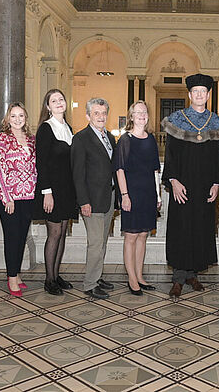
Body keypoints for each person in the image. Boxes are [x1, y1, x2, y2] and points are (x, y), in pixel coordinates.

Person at [162, 73, 219, 298]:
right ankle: (178, 278)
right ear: (189, 94)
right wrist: (173, 180)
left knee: (200, 229)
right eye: (196, 92)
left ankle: (192, 275)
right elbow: (169, 155)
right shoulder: (176, 120)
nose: (200, 95)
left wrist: (217, 183)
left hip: (204, 188)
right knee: (181, 229)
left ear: (208, 95)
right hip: (183, 185)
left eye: (203, 92)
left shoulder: (215, 123)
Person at [71, 98, 118, 300]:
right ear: (88, 116)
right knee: (96, 243)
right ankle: (90, 284)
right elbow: (77, 174)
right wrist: (83, 201)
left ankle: (97, 277)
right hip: (92, 200)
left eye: (104, 113)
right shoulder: (81, 138)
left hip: (109, 197)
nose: (101, 117)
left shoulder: (109, 136)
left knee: (103, 242)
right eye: (96, 113)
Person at [114, 101, 161, 295]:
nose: (142, 115)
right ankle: (132, 279)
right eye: (137, 112)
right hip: (131, 194)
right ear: (131, 117)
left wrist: (158, 195)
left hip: (148, 193)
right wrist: (125, 195)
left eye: (144, 112)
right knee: (131, 236)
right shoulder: (125, 140)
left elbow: (155, 170)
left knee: (143, 235)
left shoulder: (150, 139)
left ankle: (140, 276)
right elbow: (119, 170)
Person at [35, 89, 78, 295]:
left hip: (67, 189)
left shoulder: (68, 128)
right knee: (53, 233)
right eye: (54, 100)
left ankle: (56, 274)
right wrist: (47, 192)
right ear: (48, 106)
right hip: (52, 190)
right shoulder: (46, 128)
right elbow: (41, 164)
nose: (59, 103)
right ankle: (49, 279)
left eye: (61, 99)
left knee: (62, 234)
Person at [0, 102, 37, 297]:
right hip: (9, 197)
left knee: (21, 236)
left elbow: (35, 168)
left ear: (25, 118)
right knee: (12, 237)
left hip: (28, 195)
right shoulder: (2, 138)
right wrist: (7, 197)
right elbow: (0, 170)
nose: (17, 119)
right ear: (7, 119)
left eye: (21, 116)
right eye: (13, 116)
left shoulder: (31, 139)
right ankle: (11, 277)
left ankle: (17, 273)